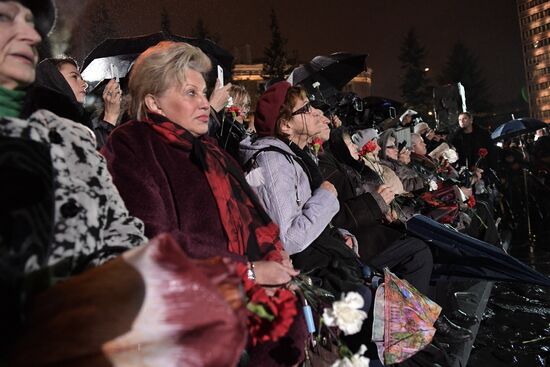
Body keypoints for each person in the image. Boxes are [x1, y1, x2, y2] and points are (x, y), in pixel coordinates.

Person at [102, 42, 306, 366]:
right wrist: (248, 273)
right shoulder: (132, 144)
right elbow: (151, 240)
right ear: (154, 102)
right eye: (190, 93)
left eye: (203, 92)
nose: (204, 103)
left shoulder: (210, 151)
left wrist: (274, 264)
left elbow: (258, 222)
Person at [27, 56, 122, 149]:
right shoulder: (48, 126)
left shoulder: (82, 121)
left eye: (81, 78)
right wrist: (110, 116)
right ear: (55, 81)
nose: (85, 84)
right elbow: (90, 157)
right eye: (74, 76)